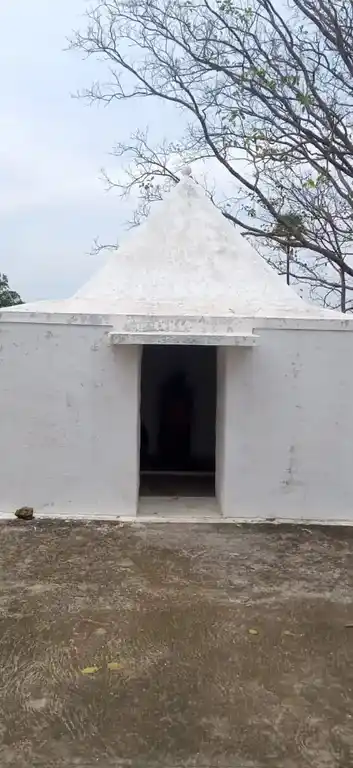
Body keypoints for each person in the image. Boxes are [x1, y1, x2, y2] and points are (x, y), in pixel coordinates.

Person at [157, 371, 193, 470]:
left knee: (177, 446)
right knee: (174, 446)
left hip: (177, 424)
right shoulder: (174, 394)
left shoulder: (180, 393)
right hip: (175, 424)